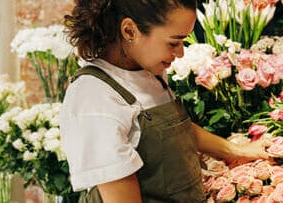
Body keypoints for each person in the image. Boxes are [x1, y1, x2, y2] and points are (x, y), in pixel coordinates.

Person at [60, 0, 271, 202]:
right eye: (174, 42)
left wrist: (240, 151)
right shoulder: (94, 99)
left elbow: (176, 130)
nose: (180, 53)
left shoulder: (148, 71)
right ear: (129, 31)